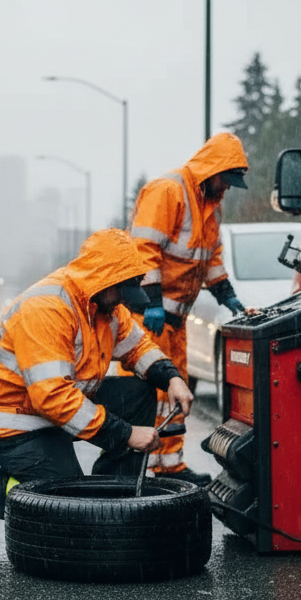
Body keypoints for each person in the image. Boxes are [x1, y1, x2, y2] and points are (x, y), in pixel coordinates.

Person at [0, 228, 196, 538]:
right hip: (9, 425)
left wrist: (172, 378)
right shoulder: (48, 309)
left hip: (51, 412)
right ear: (104, 280)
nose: (123, 302)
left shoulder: (106, 306)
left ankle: (113, 495)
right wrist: (127, 435)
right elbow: (53, 398)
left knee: (138, 393)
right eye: (122, 291)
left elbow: (138, 347)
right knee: (67, 508)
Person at [126, 131, 250, 485]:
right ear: (213, 170)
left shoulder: (210, 208)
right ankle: (143, 470)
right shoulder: (167, 192)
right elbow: (144, 249)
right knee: (149, 393)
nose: (227, 188)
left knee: (174, 395)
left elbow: (209, 259)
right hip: (150, 318)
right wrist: (151, 304)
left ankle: (170, 466)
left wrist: (228, 296)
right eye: (226, 180)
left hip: (174, 321)